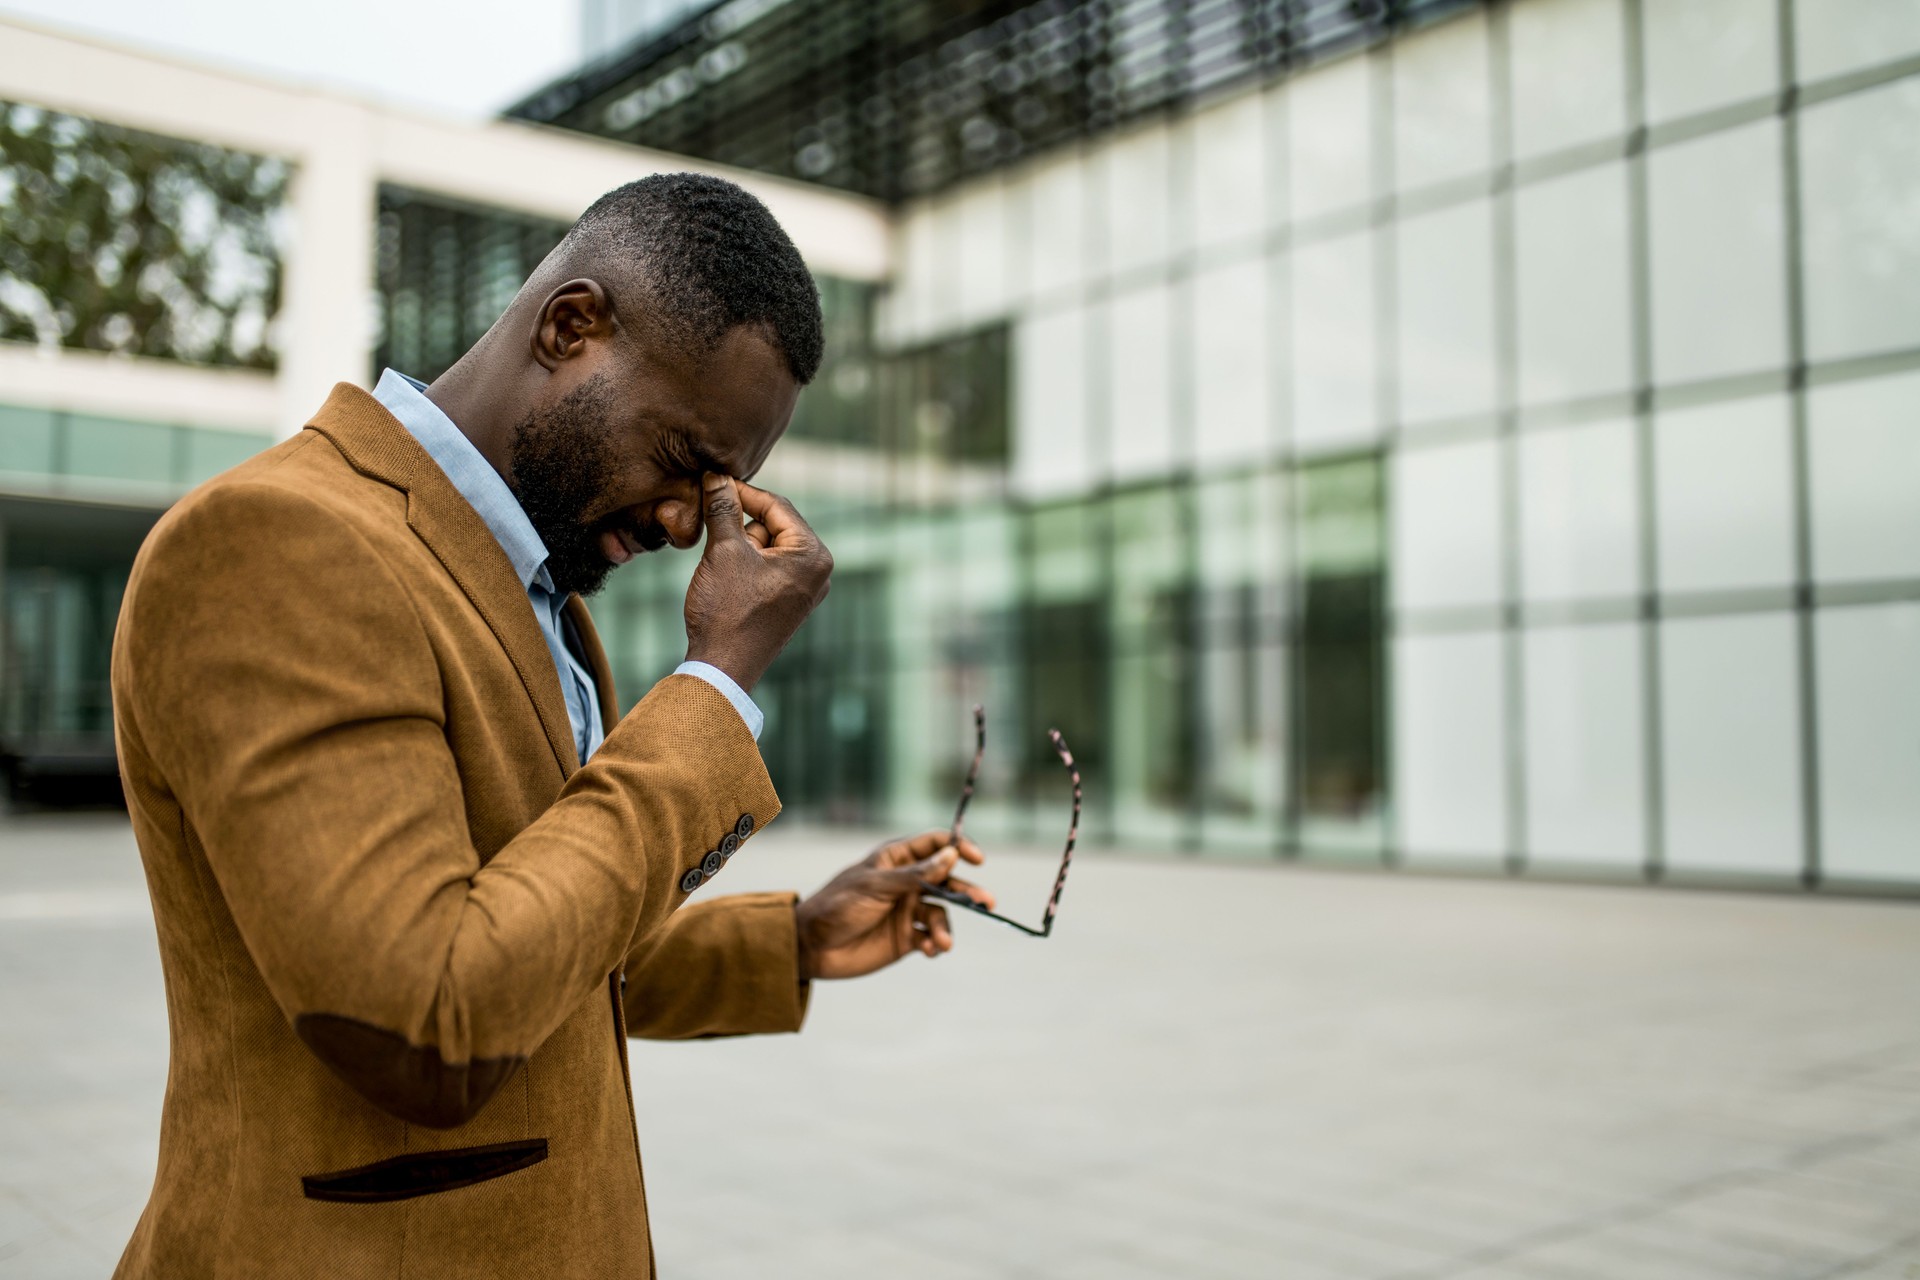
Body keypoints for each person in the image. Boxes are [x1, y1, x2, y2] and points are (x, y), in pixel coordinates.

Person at [108, 173, 991, 1279]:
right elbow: (429, 1013)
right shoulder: (283, 541)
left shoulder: (545, 602)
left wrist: (796, 939)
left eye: (725, 491)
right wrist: (715, 683)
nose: (686, 524)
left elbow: (545, 943)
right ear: (571, 327)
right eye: (685, 461)